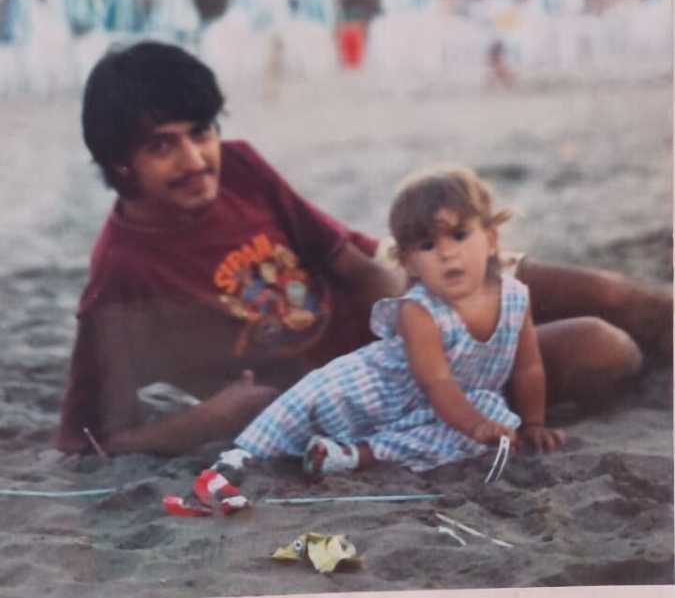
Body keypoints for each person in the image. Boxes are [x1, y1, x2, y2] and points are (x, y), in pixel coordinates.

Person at [56, 40, 670, 457]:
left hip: (409, 305)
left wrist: (426, 311)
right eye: (164, 147)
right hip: (369, 396)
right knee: (603, 348)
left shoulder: (238, 166)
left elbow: (350, 263)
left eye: (201, 133)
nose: (195, 161)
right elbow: (88, 441)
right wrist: (216, 419)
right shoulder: (122, 276)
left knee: (617, 295)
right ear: (120, 162)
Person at [220, 166, 565, 476]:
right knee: (312, 397)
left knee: (496, 418)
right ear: (409, 264)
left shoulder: (515, 297)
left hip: (449, 408)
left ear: (490, 240)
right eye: (428, 245)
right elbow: (438, 383)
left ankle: (356, 456)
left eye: (459, 235)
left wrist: (534, 422)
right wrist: (474, 425)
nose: (447, 253)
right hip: (383, 392)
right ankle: (243, 456)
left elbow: (528, 368)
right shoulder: (419, 310)